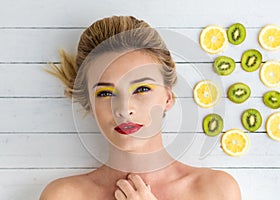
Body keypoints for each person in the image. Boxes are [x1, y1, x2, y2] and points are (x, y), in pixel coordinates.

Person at [40, 16, 241, 200]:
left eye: (142, 88)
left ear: (168, 97)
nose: (124, 109)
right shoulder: (63, 195)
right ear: (91, 106)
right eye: (105, 93)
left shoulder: (216, 191)